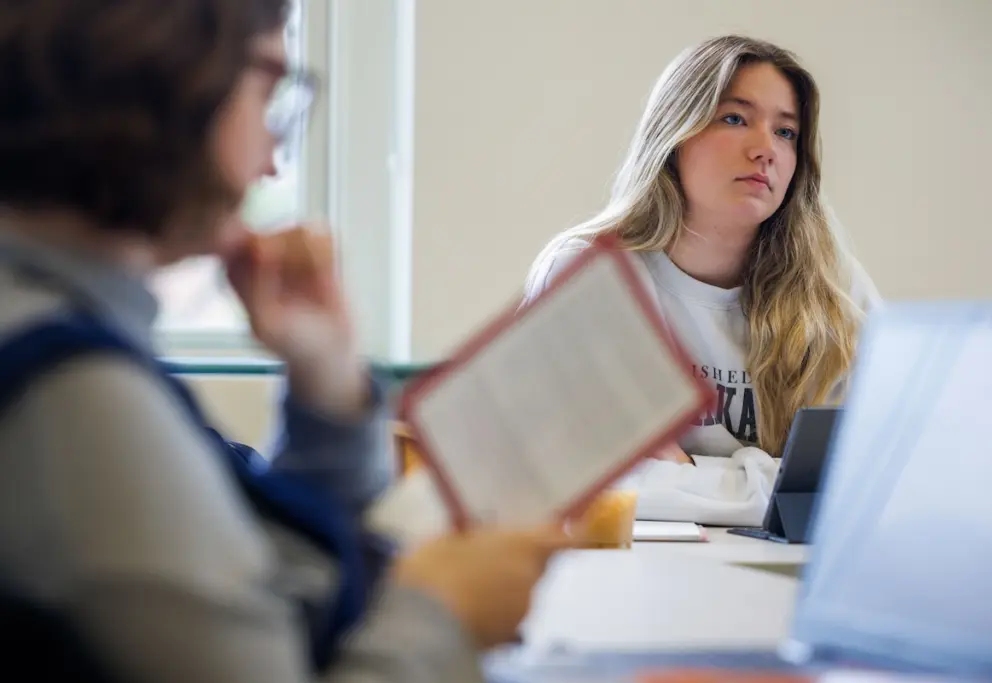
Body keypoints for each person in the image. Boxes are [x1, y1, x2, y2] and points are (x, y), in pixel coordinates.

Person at [0, 1, 570, 682]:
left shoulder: (61, 333)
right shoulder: (70, 392)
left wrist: (326, 383)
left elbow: (256, 571)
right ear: (165, 73)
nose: (272, 159)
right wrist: (444, 612)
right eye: (269, 89)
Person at [523, 35, 880, 526]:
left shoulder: (832, 286)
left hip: (780, 576)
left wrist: (687, 470)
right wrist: (776, 485)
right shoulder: (589, 277)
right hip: (628, 575)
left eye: (786, 133)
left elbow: (873, 476)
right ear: (674, 136)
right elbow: (589, 485)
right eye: (734, 118)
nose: (765, 150)